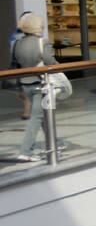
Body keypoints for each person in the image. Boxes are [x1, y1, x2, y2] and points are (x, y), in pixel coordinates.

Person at [11, 13, 58, 161]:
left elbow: (14, 65)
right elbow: (50, 60)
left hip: (25, 83)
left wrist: (18, 87)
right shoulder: (42, 42)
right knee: (37, 117)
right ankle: (26, 150)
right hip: (42, 83)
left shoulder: (16, 43)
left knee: (42, 114)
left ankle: (56, 142)